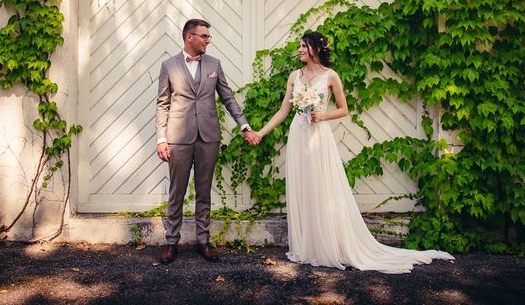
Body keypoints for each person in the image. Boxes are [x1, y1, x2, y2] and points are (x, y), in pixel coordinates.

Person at [249, 31, 454, 273]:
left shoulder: (330, 76)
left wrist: (322, 115)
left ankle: (327, 246)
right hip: (298, 135)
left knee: (321, 187)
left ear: (316, 48)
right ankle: (307, 247)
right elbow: (284, 110)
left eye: (304, 46)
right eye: (300, 47)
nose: (300, 50)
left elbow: (344, 109)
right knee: (303, 187)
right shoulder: (295, 76)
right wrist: (261, 132)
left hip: (318, 136)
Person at [156, 18, 259, 264]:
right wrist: (161, 138)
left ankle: (203, 241)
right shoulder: (168, 66)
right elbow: (163, 103)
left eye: (208, 36)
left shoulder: (214, 64)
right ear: (189, 37)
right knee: (176, 192)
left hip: (208, 138)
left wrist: (244, 125)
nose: (207, 40)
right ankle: (171, 242)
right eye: (204, 36)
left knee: (204, 192)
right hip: (178, 139)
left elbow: (228, 97)